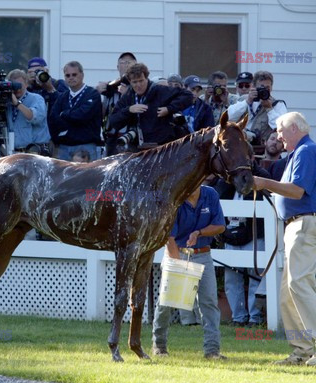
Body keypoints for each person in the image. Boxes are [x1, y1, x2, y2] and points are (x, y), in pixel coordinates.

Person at [253, 111, 316, 365]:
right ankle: (301, 349)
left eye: (281, 130)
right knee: (288, 291)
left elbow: (295, 191)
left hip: (305, 222)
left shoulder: (306, 151)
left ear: (294, 128)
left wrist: (264, 183)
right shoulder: (301, 152)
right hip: (299, 224)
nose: (278, 136)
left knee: (299, 285)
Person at [152, 184, 227, 360]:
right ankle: (159, 346)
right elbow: (168, 237)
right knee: (166, 303)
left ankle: (212, 351)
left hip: (203, 254)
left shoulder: (210, 194)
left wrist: (199, 232)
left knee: (209, 302)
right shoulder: (175, 196)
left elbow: (220, 225)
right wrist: (179, 266)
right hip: (176, 252)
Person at [215, 147, 270, 327]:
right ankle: (238, 318)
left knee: (256, 276)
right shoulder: (227, 177)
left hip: (254, 235)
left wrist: (250, 168)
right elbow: (218, 192)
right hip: (231, 233)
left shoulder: (260, 174)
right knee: (232, 279)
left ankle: (255, 318)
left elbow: (267, 186)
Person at [109, 63, 193, 151]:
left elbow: (188, 96)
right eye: (135, 82)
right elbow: (113, 121)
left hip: (162, 147)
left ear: (147, 78)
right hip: (137, 148)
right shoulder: (128, 97)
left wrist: (169, 109)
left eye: (141, 81)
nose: (138, 85)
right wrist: (129, 110)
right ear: (130, 82)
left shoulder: (160, 90)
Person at [49, 61, 102, 161]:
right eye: (67, 75)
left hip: (86, 146)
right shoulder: (62, 97)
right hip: (64, 147)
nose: (71, 77)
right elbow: (53, 119)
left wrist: (64, 114)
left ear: (82, 75)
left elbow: (83, 116)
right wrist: (71, 118)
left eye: (74, 74)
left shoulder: (93, 94)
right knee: (63, 177)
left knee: (87, 177)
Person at [0, 69, 51, 156]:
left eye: (20, 85)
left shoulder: (36, 98)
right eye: (14, 85)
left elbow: (34, 117)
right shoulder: (7, 102)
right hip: (14, 152)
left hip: (35, 151)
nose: (17, 89)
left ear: (26, 84)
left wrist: (17, 104)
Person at [228, 71, 287, 146]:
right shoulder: (243, 100)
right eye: (261, 87)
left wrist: (269, 109)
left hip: (262, 148)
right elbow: (229, 117)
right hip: (240, 147)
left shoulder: (278, 104)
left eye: (267, 88)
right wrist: (247, 102)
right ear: (253, 87)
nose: (264, 90)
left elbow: (281, 128)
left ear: (271, 87)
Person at [96, 52, 137, 156]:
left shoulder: (141, 87)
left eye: (130, 62)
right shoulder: (110, 87)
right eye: (123, 62)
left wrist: (128, 94)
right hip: (112, 137)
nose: (127, 65)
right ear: (118, 66)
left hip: (132, 136)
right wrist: (96, 90)